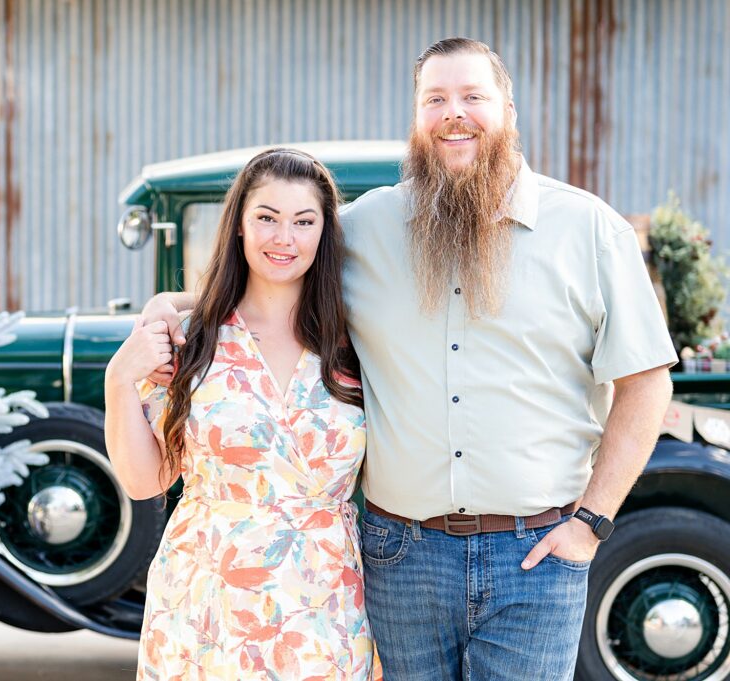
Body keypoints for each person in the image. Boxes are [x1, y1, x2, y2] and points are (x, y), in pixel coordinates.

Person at [142, 39, 676, 681]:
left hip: (537, 553)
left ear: (507, 107)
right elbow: (269, 273)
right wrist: (167, 312)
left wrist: (591, 523)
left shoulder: (589, 230)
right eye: (436, 99)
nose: (455, 113)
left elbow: (645, 383)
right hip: (403, 557)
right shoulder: (364, 230)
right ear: (417, 116)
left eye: (473, 96)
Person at [105, 148, 380, 680]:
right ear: (239, 226)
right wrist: (120, 379)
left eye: (304, 221)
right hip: (207, 602)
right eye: (267, 218)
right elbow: (146, 481)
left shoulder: (355, 344)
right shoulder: (194, 339)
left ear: (324, 233)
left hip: (323, 603)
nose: (284, 238)